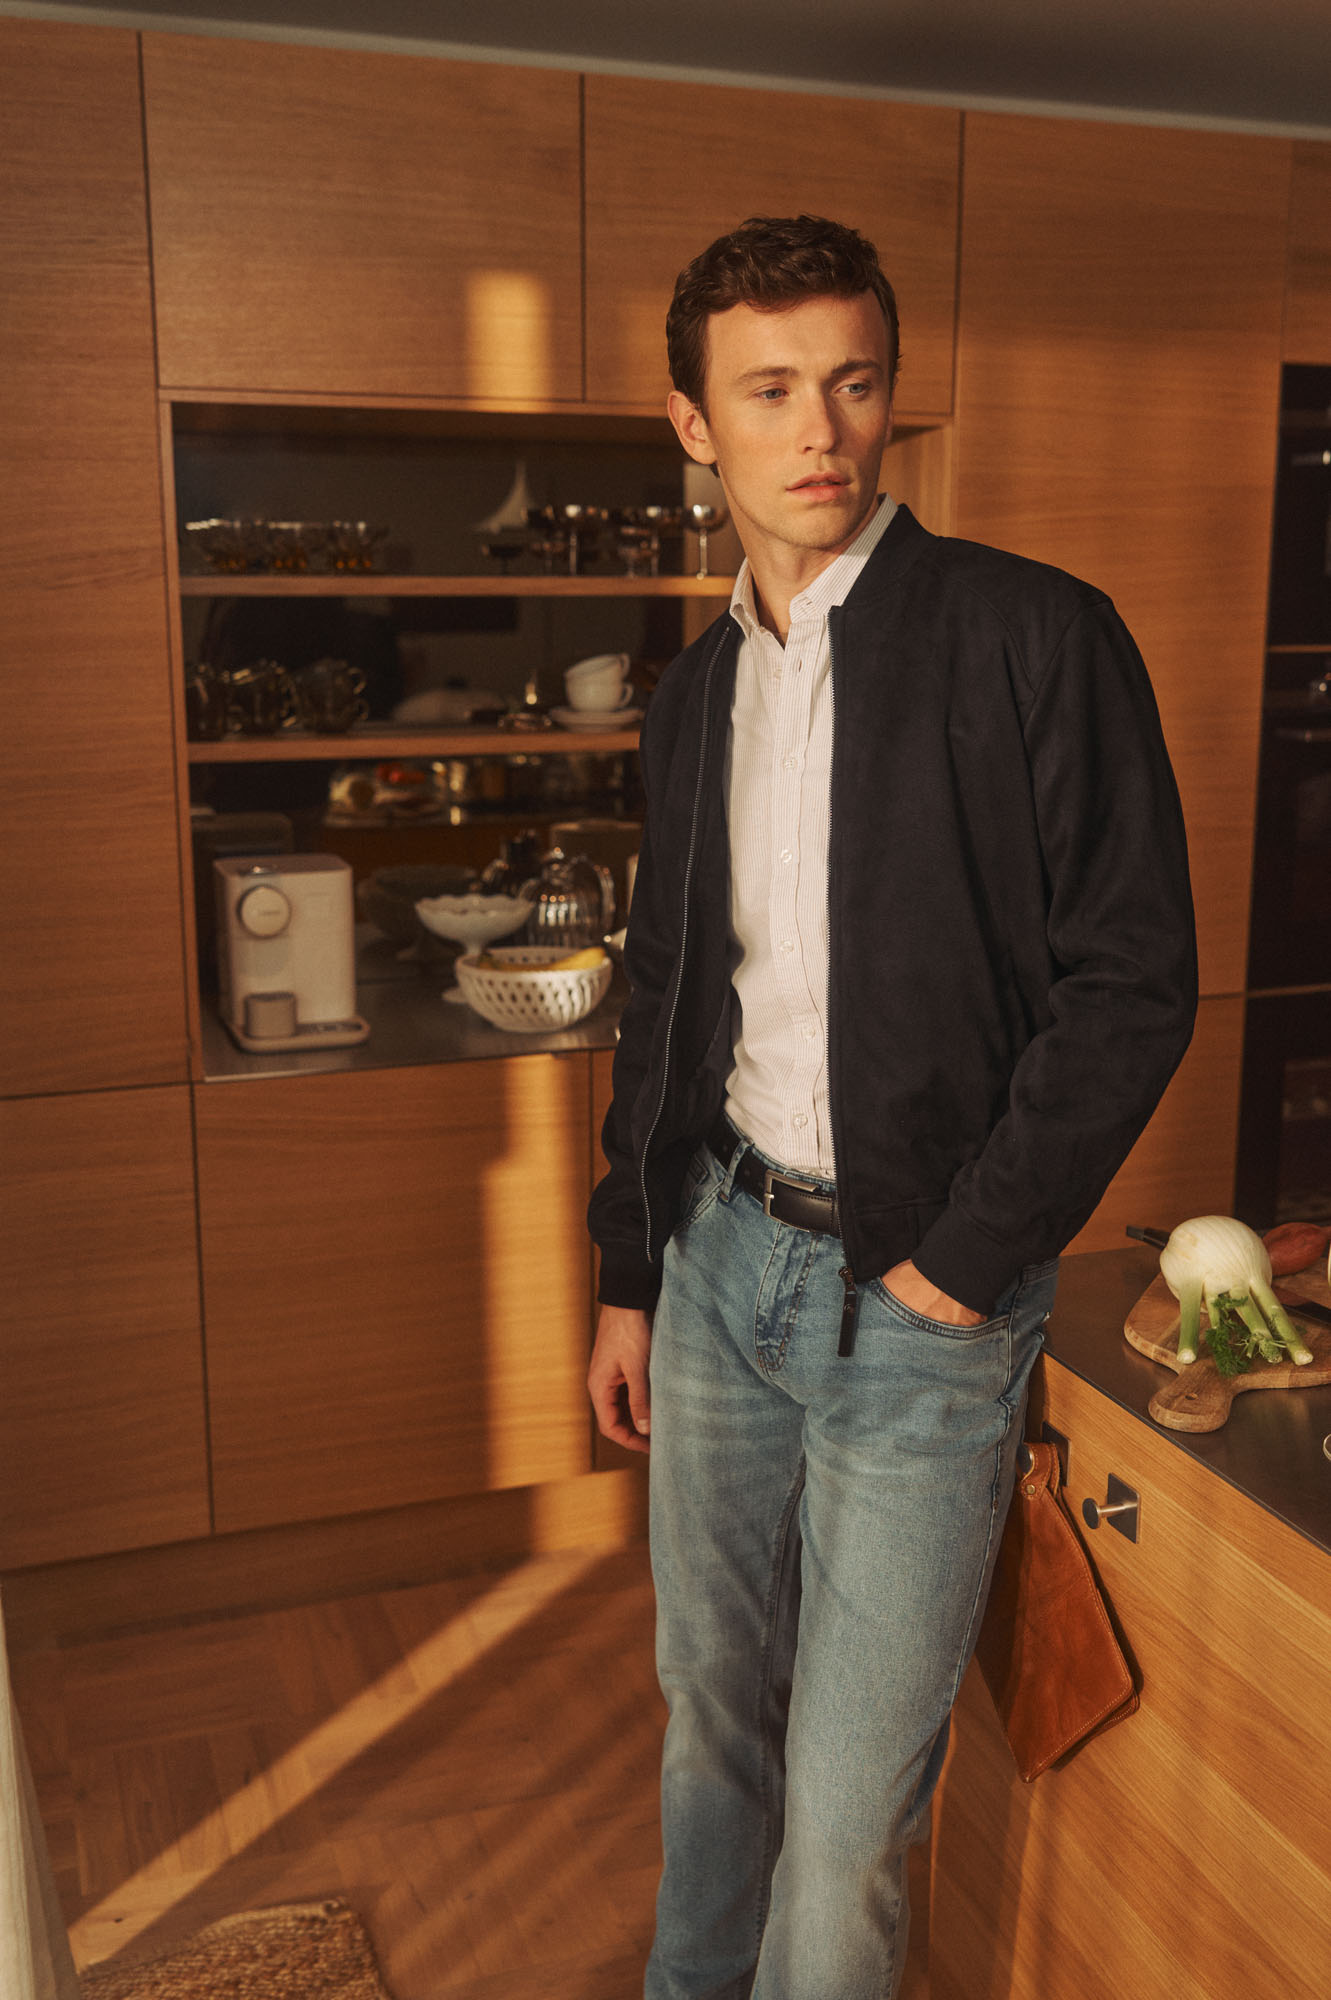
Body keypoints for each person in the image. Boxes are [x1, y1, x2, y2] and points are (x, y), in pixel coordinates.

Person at [587, 214, 1196, 2000]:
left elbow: (1133, 982)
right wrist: (634, 1266)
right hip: (716, 1274)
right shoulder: (695, 694)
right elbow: (663, 1000)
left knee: (850, 1821)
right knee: (711, 1734)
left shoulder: (1035, 636)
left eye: (851, 383)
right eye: (769, 390)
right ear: (694, 425)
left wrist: (965, 1258)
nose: (820, 430)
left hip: (922, 1301)